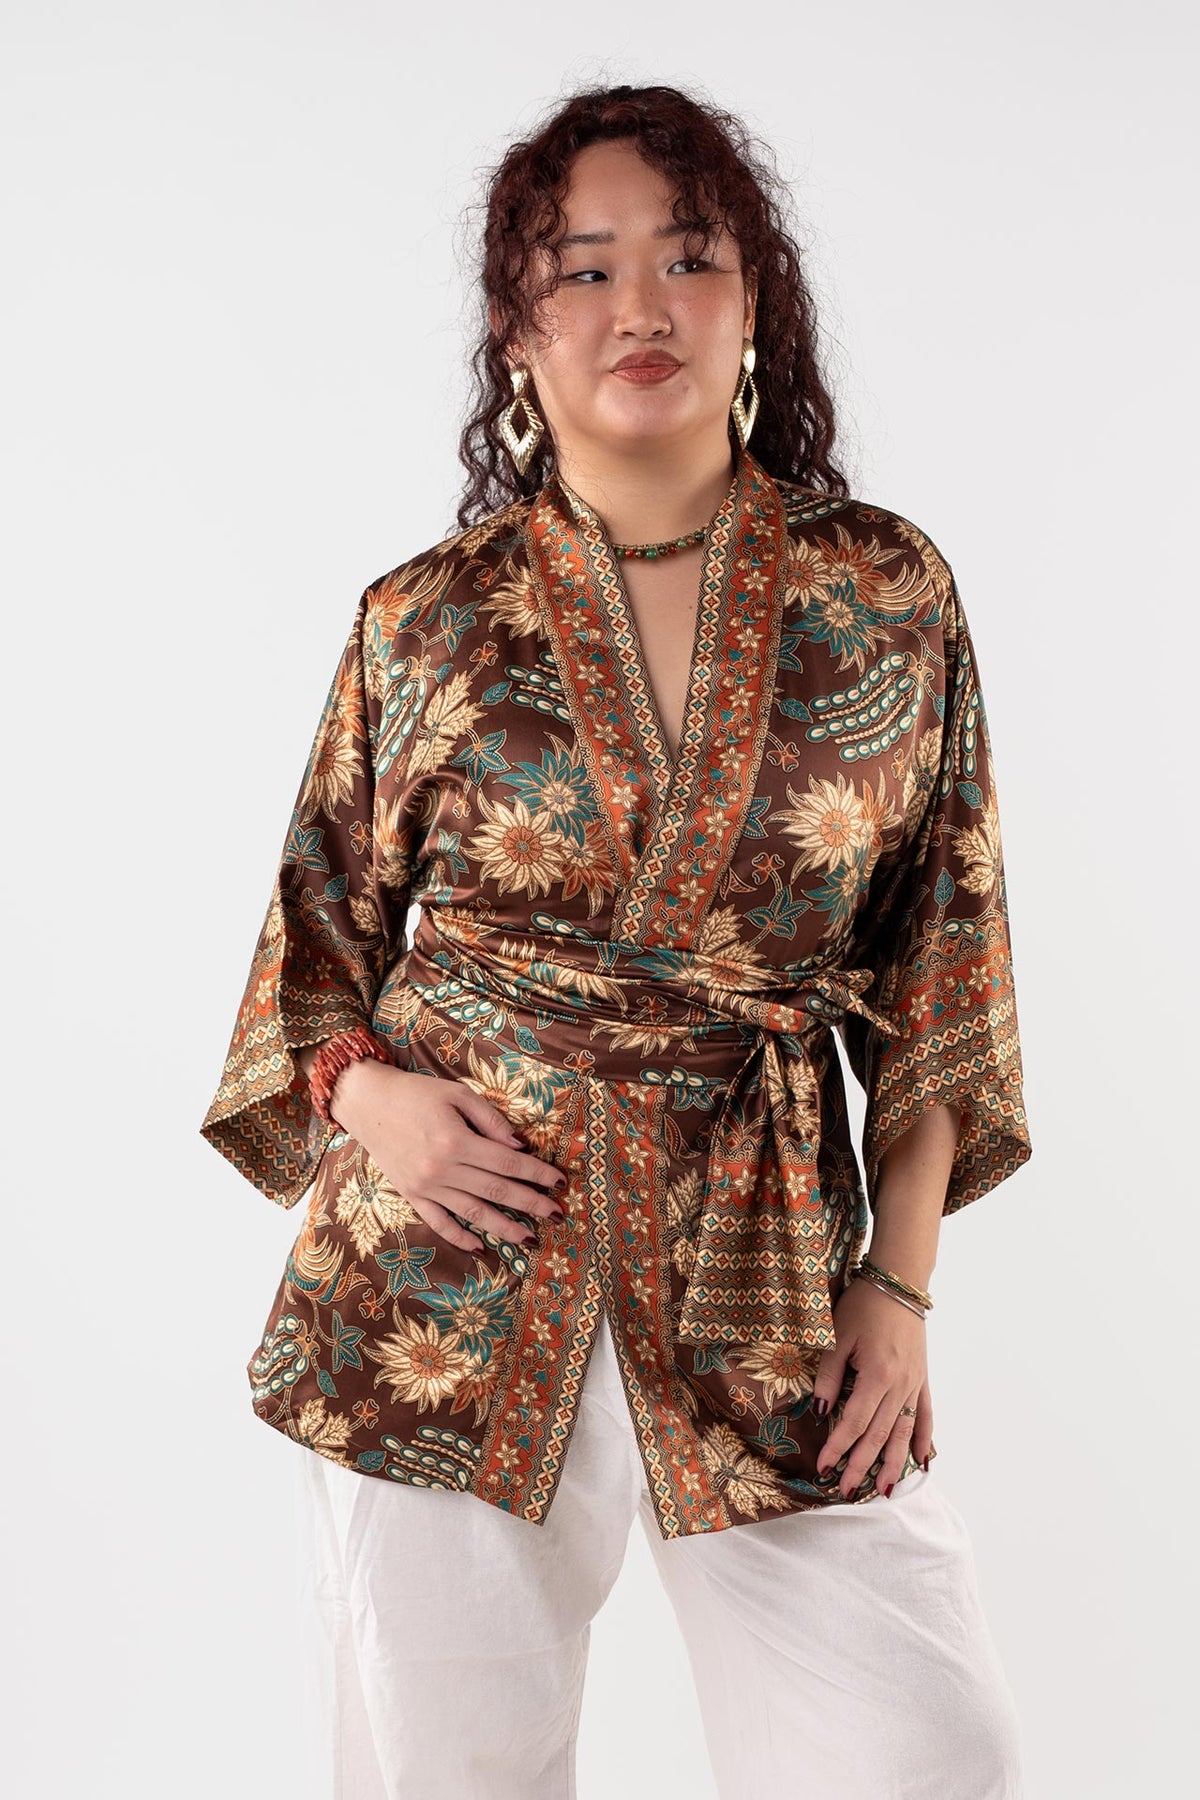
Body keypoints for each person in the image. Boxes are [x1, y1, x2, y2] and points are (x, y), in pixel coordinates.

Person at [200, 81, 1033, 1800]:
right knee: (444, 1770)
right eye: (582, 270)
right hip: (443, 1273)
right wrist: (378, 1103)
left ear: (754, 301)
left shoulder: (887, 593)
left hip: (769, 1269)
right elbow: (313, 946)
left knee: (921, 1751)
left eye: (688, 256)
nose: (640, 305)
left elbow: (946, 962)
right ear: (519, 332)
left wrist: (899, 1283)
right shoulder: (424, 619)